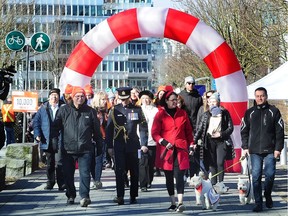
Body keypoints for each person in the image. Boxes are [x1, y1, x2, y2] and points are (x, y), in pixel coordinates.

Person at [53, 86, 103, 207]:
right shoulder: (64, 110)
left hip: (85, 148)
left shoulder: (90, 111)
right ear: (72, 97)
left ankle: (85, 196)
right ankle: (70, 195)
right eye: (77, 96)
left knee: (85, 174)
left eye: (82, 96)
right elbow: (55, 128)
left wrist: (99, 146)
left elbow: (96, 131)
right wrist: (54, 142)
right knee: (68, 174)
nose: (80, 98)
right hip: (67, 149)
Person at [241, 87, 284, 212]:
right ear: (255, 97)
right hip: (254, 150)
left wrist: (278, 148)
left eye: (262, 96)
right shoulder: (249, 112)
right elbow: (244, 131)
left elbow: (279, 131)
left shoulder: (274, 111)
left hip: (271, 150)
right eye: (257, 96)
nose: (260, 98)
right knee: (256, 176)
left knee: (270, 175)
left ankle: (268, 194)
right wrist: (245, 146)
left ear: (266, 96)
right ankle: (258, 202)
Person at [151, 91, 195, 213]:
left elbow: (188, 132)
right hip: (166, 150)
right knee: (169, 177)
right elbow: (154, 133)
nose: (175, 102)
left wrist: (191, 144)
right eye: (172, 100)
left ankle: (180, 202)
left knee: (179, 176)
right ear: (166, 100)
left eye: (176, 99)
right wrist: (163, 141)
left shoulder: (183, 114)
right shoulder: (160, 114)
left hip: (180, 149)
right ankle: (173, 202)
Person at [106, 87, 148, 205]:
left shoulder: (137, 109)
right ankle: (120, 196)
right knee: (119, 171)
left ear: (130, 97)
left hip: (133, 144)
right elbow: (109, 129)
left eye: (126, 98)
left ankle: (133, 195)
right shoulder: (114, 110)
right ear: (119, 97)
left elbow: (144, 128)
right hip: (119, 145)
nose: (124, 101)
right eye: (122, 99)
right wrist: (109, 146)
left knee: (134, 171)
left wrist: (144, 144)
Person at [194, 92, 234, 185]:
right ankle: (213, 183)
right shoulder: (206, 114)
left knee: (220, 162)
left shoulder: (225, 113)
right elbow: (200, 129)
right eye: (210, 101)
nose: (212, 103)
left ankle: (221, 183)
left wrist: (221, 134)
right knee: (212, 164)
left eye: (214, 101)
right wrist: (194, 141)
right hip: (209, 141)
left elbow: (230, 128)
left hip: (221, 141)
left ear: (218, 102)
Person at [33, 88, 66, 191]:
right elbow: (36, 122)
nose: (54, 98)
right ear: (49, 97)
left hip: (60, 138)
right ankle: (50, 182)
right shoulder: (43, 108)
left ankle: (62, 183)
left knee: (59, 161)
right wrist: (37, 134)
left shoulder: (64, 107)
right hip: (47, 138)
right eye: (52, 96)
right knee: (50, 162)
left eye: (56, 95)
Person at [179, 76, 203, 178]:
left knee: (195, 150)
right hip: (184, 126)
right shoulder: (180, 96)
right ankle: (184, 173)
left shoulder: (198, 97)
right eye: (189, 83)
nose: (191, 85)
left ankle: (194, 173)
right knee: (184, 150)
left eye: (193, 83)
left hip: (195, 126)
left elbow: (201, 112)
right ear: (185, 84)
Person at [138, 90, 158, 191]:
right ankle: (143, 184)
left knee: (150, 162)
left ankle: (149, 180)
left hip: (152, 139)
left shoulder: (155, 110)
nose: (145, 100)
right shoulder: (138, 109)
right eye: (143, 98)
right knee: (142, 162)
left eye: (147, 98)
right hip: (140, 139)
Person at [90, 91, 109, 190]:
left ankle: (97, 180)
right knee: (91, 161)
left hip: (102, 139)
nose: (105, 101)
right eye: (103, 99)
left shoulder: (106, 112)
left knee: (99, 160)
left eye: (106, 99)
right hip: (92, 139)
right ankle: (95, 178)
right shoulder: (91, 111)